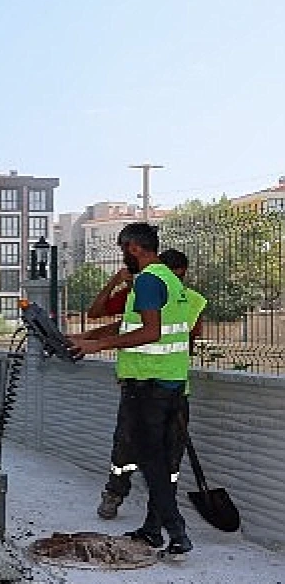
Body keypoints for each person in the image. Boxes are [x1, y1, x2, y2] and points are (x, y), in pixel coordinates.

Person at [69, 224, 193, 559]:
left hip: (149, 386)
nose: (123, 256)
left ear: (134, 247)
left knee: (151, 462)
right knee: (160, 461)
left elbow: (150, 333)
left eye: (124, 249)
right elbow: (133, 326)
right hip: (170, 384)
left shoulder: (150, 280)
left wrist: (100, 345)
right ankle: (154, 531)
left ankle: (177, 532)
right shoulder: (170, 281)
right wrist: (86, 340)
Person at [93, 249, 206, 520]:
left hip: (165, 388)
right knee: (131, 446)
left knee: (158, 451)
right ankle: (121, 496)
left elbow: (183, 341)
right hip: (147, 387)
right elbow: (106, 318)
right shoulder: (142, 292)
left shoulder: (189, 300)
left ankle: (157, 513)